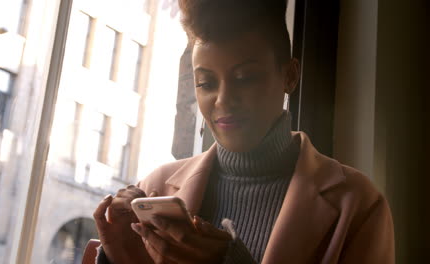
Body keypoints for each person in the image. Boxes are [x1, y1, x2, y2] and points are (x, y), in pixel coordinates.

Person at [93, 0, 395, 263]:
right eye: (206, 83)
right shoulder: (155, 186)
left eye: (245, 77)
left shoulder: (358, 205)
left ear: (289, 76)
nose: (223, 100)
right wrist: (123, 256)